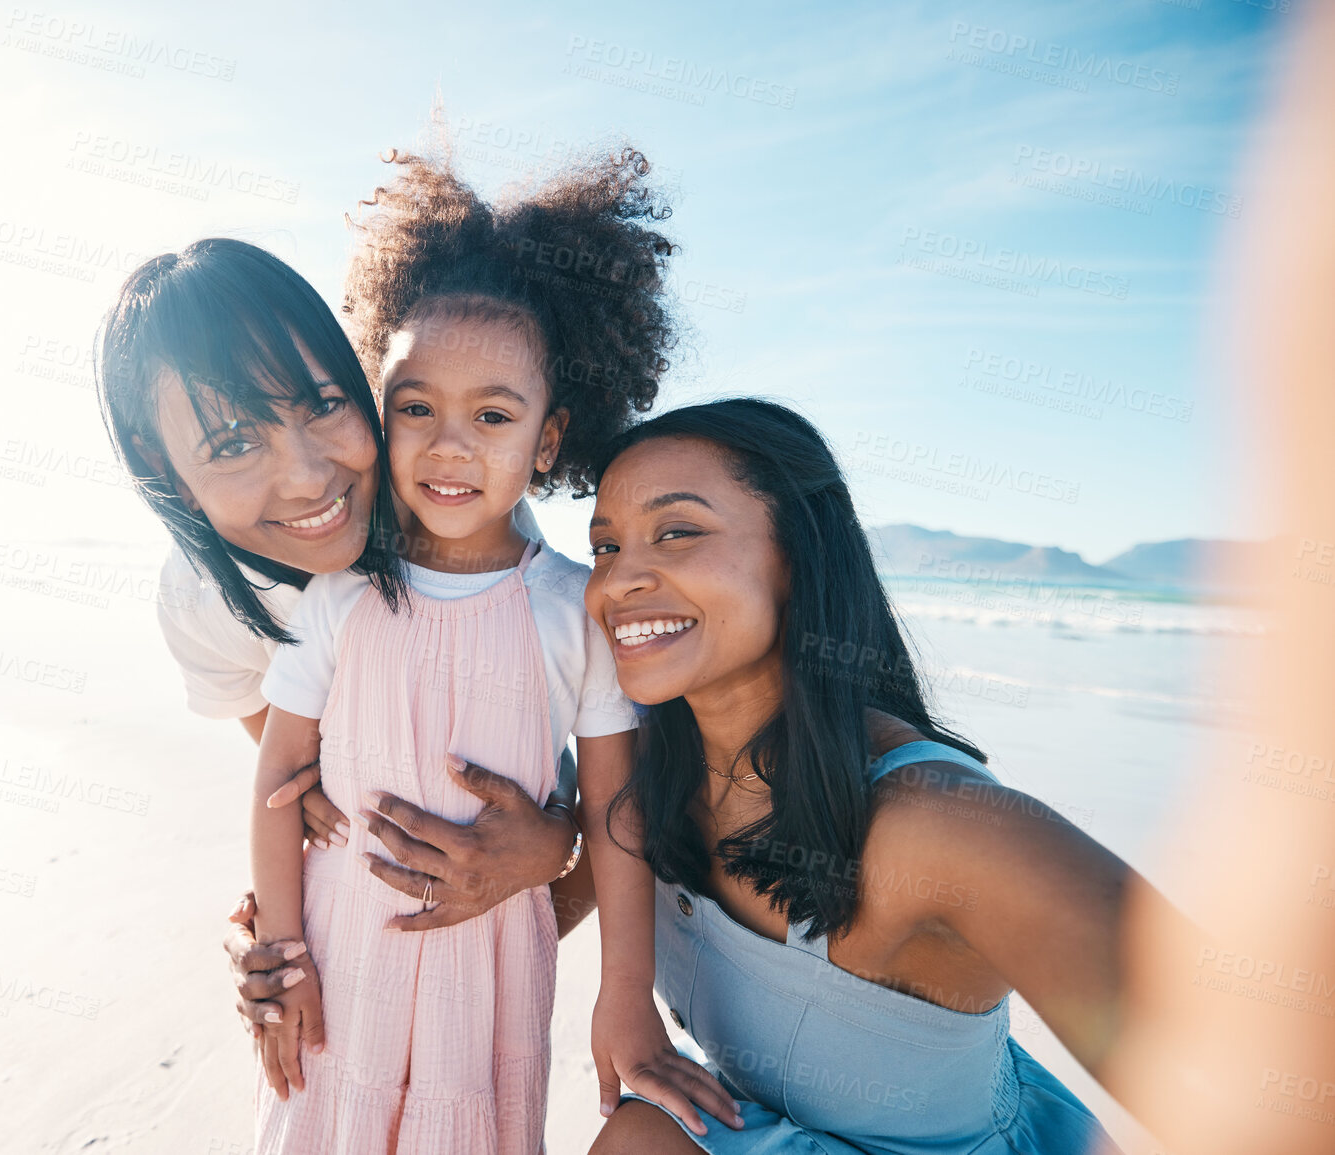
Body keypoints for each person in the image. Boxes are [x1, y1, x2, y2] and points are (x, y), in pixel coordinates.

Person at [246, 145, 675, 1154]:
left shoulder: (572, 609)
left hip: (486, 995)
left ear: (550, 439)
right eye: (416, 408)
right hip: (340, 971)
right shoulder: (343, 592)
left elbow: (618, 813)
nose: (450, 445)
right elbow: (275, 775)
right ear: (376, 409)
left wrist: (625, 993)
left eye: (493, 416)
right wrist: (279, 951)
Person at [583, 399, 1136, 1154]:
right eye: (604, 546)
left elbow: (1242, 1056)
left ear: (799, 554)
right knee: (641, 1137)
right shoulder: (640, 774)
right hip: (777, 1132)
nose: (618, 581)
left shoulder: (938, 826)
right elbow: (600, 843)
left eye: (676, 531)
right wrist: (544, 844)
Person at [94, 237, 591, 1043]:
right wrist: (276, 947)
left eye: (323, 404)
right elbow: (301, 795)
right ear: (162, 463)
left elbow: (573, 782)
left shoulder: (457, 522)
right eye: (231, 443)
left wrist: (556, 846)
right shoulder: (201, 604)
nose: (307, 477)